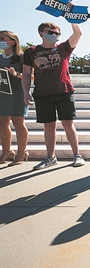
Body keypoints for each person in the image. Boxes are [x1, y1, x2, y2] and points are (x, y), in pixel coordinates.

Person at [22, 22, 85, 170]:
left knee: (68, 124)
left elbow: (78, 34)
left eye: (57, 33)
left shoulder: (63, 48)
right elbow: (26, 73)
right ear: (41, 33)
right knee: (48, 126)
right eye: (50, 32)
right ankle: (50, 158)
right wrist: (26, 91)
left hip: (64, 91)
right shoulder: (30, 51)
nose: (54, 35)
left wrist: (72, 19)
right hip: (43, 94)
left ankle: (77, 155)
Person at [0, 30, 29, 166]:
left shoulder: (23, 57)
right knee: (2, 124)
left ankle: (21, 153)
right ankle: (6, 151)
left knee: (18, 123)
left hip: (18, 93)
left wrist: (16, 74)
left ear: (12, 41)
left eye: (2, 38)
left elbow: (32, 77)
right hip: (2, 94)